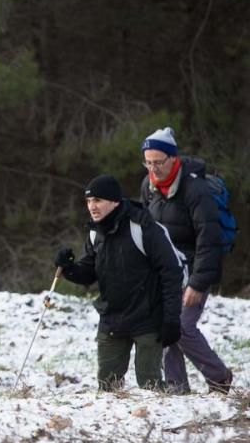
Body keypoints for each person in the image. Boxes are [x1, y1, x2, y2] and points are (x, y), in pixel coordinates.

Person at [55, 175, 184, 391]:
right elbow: (89, 272)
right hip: (112, 320)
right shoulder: (96, 232)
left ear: (114, 201)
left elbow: (171, 273)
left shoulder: (143, 227)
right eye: (88, 202)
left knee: (150, 388)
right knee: (107, 387)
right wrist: (69, 268)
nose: (92, 207)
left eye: (97, 201)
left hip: (148, 320)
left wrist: (171, 318)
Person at [139, 127, 234, 394]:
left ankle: (219, 377)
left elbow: (209, 239)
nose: (153, 168)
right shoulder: (148, 186)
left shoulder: (196, 189)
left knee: (182, 327)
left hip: (193, 270)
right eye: (148, 162)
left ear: (173, 158)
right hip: (165, 272)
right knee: (166, 327)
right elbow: (146, 229)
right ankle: (176, 387)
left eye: (158, 162)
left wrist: (197, 283)